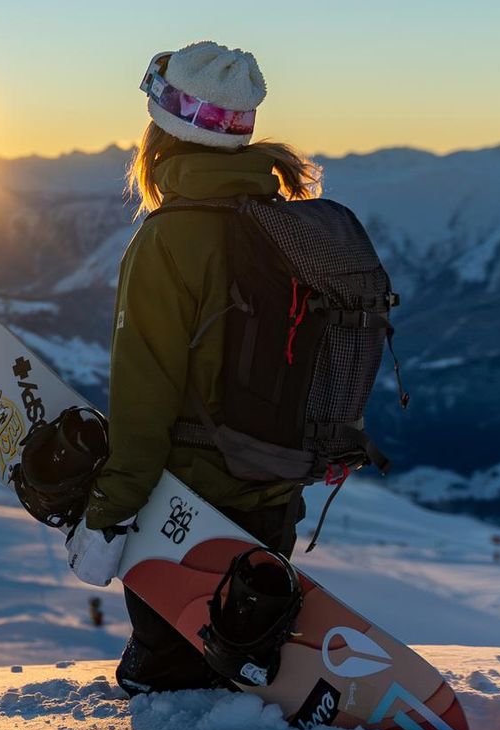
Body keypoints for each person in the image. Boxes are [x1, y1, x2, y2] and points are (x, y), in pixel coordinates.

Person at [69, 40, 323, 696]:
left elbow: (143, 395)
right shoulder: (287, 226)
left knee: (166, 690)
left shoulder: (168, 239)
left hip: (186, 514)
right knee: (230, 681)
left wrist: (108, 515)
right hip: (273, 503)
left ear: (163, 131)